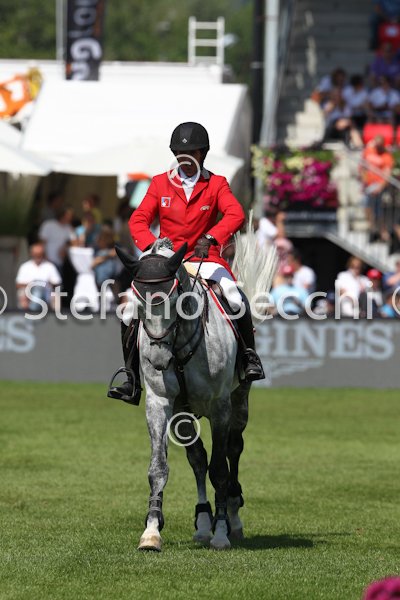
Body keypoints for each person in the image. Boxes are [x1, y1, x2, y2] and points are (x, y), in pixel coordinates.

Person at [108, 122, 265, 404]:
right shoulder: (160, 183)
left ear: (202, 153)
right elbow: (139, 219)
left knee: (234, 296)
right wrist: (152, 246)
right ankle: (131, 377)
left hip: (204, 258)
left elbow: (235, 214)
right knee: (129, 308)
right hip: (167, 260)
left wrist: (212, 237)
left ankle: (248, 357)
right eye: (180, 154)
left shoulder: (216, 184)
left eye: (191, 153)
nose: (185, 159)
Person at [360, 135, 394, 241]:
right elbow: (362, 167)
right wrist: (364, 181)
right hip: (368, 184)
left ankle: (382, 231)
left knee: (378, 210)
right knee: (366, 206)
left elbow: (387, 175)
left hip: (378, 185)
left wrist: (380, 187)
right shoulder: (369, 151)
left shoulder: (387, 156)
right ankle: (372, 228)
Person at [16, 242, 61, 311]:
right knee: (22, 292)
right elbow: (18, 284)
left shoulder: (50, 266)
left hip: (46, 292)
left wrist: (44, 285)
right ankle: (27, 312)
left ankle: (55, 315)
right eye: (36, 254)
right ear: (31, 254)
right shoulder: (25, 266)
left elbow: (57, 283)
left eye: (40, 254)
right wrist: (33, 285)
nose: (38, 256)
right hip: (29, 292)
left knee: (55, 294)